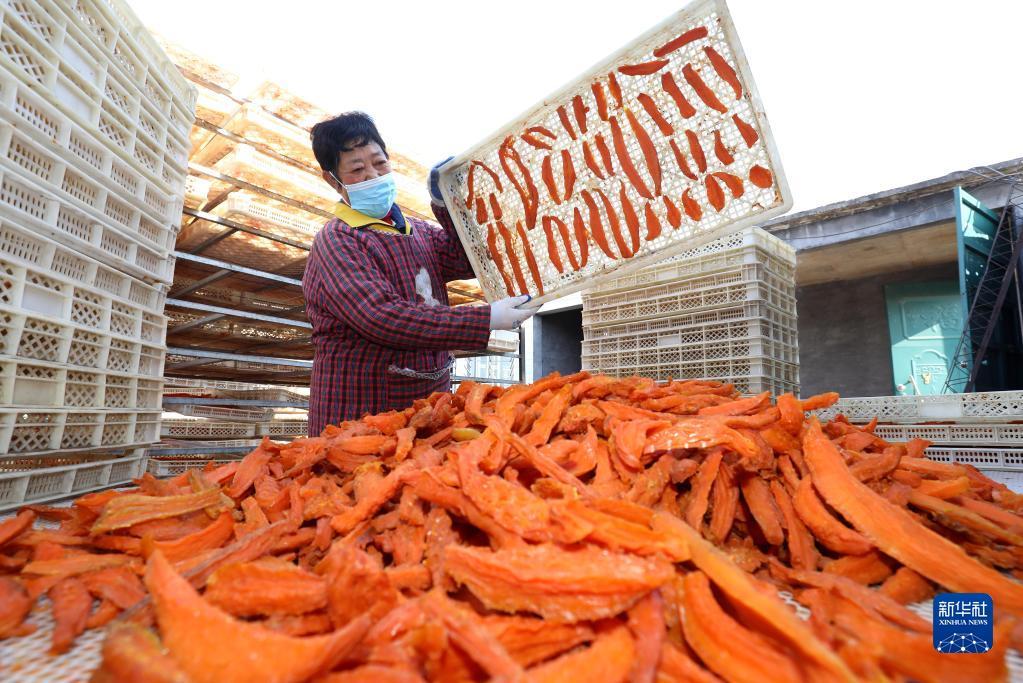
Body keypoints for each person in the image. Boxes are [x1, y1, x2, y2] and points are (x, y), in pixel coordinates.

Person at [303, 112, 535, 433]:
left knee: (429, 461)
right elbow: (384, 318)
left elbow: (465, 260)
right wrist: (486, 318)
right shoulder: (338, 240)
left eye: (380, 163)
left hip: (427, 403)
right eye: (357, 169)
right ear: (333, 180)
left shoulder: (417, 230)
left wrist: (447, 203)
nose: (373, 175)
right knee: (360, 461)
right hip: (361, 410)